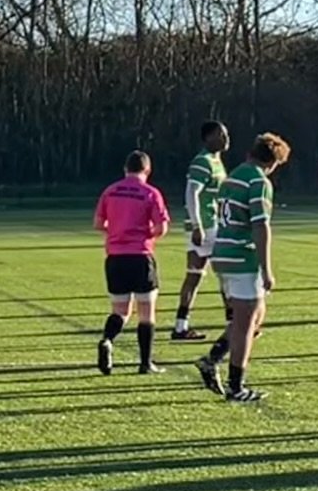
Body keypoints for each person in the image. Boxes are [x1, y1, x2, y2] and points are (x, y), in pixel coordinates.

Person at [194, 133, 291, 402]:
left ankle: (211, 360)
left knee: (254, 316)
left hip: (222, 254)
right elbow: (260, 226)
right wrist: (266, 269)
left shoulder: (232, 176)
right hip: (241, 257)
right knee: (246, 325)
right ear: (272, 162)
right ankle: (236, 386)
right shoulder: (259, 182)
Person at [95, 151, 170, 376]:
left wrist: (117, 231)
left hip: (116, 258)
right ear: (147, 170)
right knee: (146, 312)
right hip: (140, 256)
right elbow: (161, 227)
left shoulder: (111, 190)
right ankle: (146, 363)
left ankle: (107, 339)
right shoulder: (150, 193)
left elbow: (98, 223)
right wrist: (145, 234)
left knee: (120, 311)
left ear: (125, 169)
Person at [171, 121, 229, 341]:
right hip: (207, 226)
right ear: (208, 138)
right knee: (226, 273)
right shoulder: (202, 162)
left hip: (210, 225)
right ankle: (235, 324)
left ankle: (180, 327)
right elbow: (191, 193)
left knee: (195, 276)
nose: (225, 138)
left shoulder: (216, 161)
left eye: (226, 134)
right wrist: (197, 225)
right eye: (220, 135)